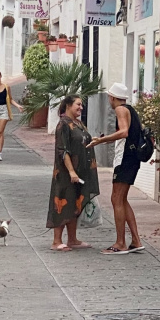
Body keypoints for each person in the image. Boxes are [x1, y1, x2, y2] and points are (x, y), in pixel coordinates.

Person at [86, 82, 145, 254]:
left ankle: (120, 243)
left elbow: (124, 132)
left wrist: (101, 141)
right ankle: (135, 240)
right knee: (122, 199)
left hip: (125, 159)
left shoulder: (120, 110)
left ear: (112, 97)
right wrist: (107, 139)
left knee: (116, 199)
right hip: (132, 159)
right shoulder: (130, 110)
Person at [49, 94, 97, 251]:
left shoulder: (78, 123)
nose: (81, 107)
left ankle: (72, 239)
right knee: (63, 203)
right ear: (68, 106)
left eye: (82, 105)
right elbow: (62, 150)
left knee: (75, 204)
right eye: (78, 104)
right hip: (66, 173)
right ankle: (56, 241)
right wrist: (71, 171)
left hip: (81, 172)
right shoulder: (63, 124)